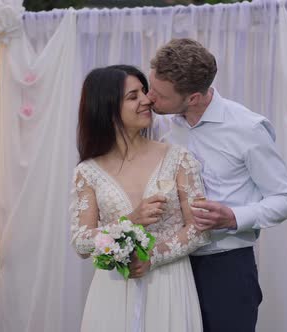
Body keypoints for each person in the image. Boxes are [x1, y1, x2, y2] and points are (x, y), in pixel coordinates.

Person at [142, 38, 287, 332]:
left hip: (226, 269)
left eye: (159, 94)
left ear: (193, 98)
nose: (149, 98)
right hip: (171, 267)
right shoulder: (161, 124)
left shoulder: (248, 128)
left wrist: (233, 217)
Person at [70, 64, 210, 332]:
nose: (147, 100)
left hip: (170, 285)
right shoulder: (87, 172)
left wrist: (152, 257)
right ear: (108, 108)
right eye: (133, 97)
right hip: (113, 290)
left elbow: (200, 229)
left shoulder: (178, 158)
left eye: (144, 92)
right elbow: (81, 244)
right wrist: (129, 220)